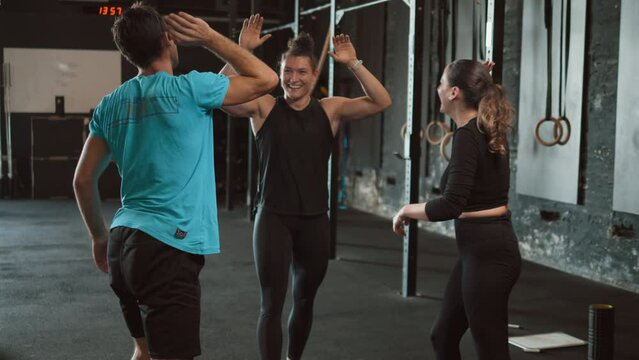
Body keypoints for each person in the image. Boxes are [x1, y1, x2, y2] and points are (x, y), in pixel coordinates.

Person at [73, 3, 278, 360]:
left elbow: (82, 180)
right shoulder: (190, 90)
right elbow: (267, 80)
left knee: (144, 350)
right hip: (166, 251)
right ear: (169, 40)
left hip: (123, 246)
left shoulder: (111, 104)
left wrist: (98, 237)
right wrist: (212, 38)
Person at [219, 15, 392, 360]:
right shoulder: (264, 106)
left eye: (301, 72)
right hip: (273, 220)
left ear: (315, 76)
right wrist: (240, 52)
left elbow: (381, 101)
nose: (293, 79)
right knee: (271, 305)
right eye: (287, 71)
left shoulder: (330, 111)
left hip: (315, 221)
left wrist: (354, 63)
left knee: (304, 300)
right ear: (279, 72)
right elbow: (216, 94)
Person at [392, 59, 521, 360]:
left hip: (489, 256)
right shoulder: (485, 127)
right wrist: (481, 78)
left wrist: (406, 209)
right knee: (443, 336)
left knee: (491, 351)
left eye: (441, 83)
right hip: (478, 253)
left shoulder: (469, 135)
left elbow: (451, 204)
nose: (437, 89)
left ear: (454, 93)